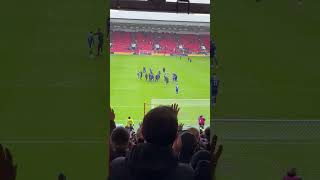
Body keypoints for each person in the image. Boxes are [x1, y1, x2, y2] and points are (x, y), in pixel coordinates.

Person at [110, 104, 194, 180]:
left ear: (142, 132)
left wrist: (110, 122)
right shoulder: (186, 173)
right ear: (176, 137)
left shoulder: (117, 166)